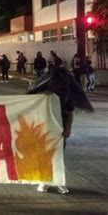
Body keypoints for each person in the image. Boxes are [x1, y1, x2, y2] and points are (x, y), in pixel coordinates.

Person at [27, 59, 93, 194]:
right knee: (44, 155)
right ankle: (44, 181)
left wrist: (68, 128)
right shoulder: (42, 91)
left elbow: (70, 111)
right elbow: (27, 102)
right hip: (42, 127)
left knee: (58, 155)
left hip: (59, 129)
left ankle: (59, 182)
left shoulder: (66, 93)